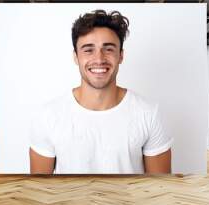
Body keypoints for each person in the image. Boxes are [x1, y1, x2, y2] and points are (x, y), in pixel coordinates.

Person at [29, 9, 173, 174]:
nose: (99, 58)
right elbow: (39, 191)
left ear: (121, 56)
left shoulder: (149, 113)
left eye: (109, 49)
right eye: (88, 49)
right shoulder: (48, 116)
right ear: (76, 57)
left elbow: (159, 189)